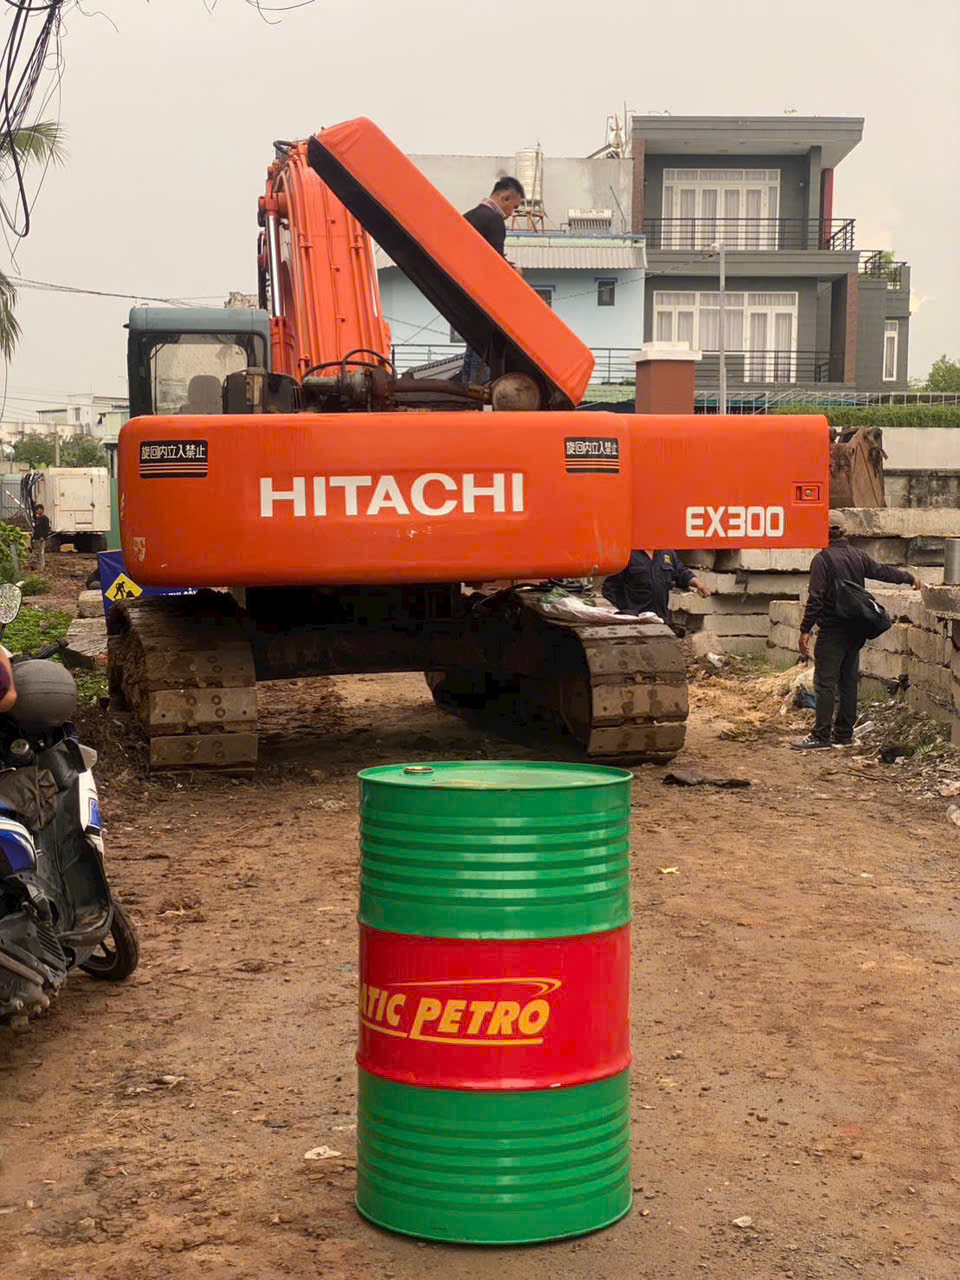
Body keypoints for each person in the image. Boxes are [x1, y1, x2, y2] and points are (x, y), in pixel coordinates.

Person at [792, 521, 922, 751]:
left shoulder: (822, 559)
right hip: (855, 630)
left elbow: (816, 598)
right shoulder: (858, 555)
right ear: (845, 532)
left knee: (825, 683)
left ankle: (821, 736)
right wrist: (908, 578)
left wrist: (805, 629)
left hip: (832, 630)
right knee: (848, 682)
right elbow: (882, 572)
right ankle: (844, 734)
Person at [459, 176, 525, 386]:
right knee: (483, 351)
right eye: (514, 207)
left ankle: (466, 389)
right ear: (505, 198)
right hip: (484, 295)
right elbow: (495, 264)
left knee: (472, 347)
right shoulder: (494, 220)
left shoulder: (469, 216)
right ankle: (477, 392)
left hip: (464, 290)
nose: (511, 213)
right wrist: (513, 271)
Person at [602, 550, 712, 626]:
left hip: (661, 621)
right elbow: (609, 588)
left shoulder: (667, 553)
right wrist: (625, 612)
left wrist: (699, 584)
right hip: (635, 622)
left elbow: (682, 572)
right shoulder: (627, 554)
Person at [32, 504, 51, 570]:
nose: (37, 511)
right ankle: (37, 565)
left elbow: (46, 529)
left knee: (41, 552)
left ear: (42, 510)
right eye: (36, 510)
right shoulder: (37, 519)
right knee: (36, 552)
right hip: (36, 538)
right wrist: (33, 537)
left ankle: (42, 566)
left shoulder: (45, 518)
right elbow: (36, 529)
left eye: (38, 509)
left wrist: (43, 537)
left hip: (41, 539)